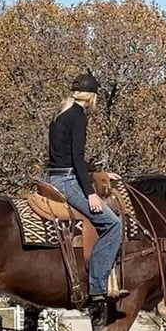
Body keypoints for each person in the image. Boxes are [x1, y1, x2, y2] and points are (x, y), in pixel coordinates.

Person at [46, 73, 129, 302]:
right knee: (112, 224)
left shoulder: (60, 114)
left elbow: (67, 155)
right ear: (91, 96)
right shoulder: (78, 117)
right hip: (68, 180)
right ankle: (98, 285)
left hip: (54, 176)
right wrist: (90, 193)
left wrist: (96, 172)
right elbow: (76, 156)